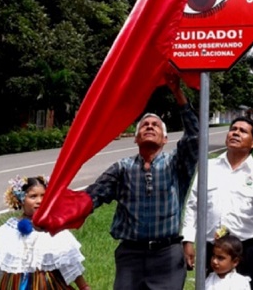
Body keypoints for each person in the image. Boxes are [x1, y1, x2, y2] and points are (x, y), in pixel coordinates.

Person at [84, 73, 198, 290]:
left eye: (156, 125)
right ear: (136, 139)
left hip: (167, 255)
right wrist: (59, 209)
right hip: (131, 256)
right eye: (144, 125)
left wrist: (178, 92)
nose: (149, 126)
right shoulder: (122, 168)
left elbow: (194, 137)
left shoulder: (176, 164)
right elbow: (93, 195)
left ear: (165, 139)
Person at [183, 116, 253, 290]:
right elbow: (193, 205)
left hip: (249, 252)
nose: (235, 133)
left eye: (242, 131)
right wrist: (188, 240)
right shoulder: (208, 168)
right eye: (233, 129)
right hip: (213, 251)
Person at [0, 175, 90, 290]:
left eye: (43, 196)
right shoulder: (10, 229)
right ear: (20, 200)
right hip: (14, 284)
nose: (39, 201)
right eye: (33, 196)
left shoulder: (52, 228)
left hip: (48, 284)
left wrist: (83, 286)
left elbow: (68, 262)